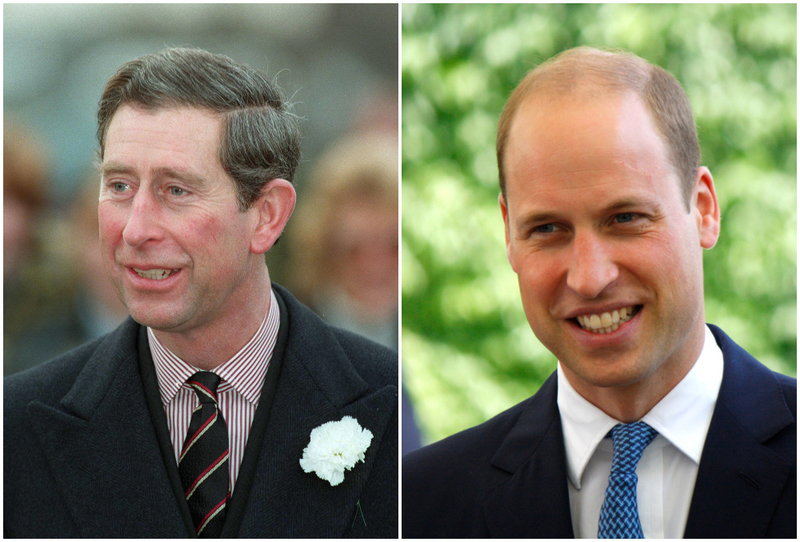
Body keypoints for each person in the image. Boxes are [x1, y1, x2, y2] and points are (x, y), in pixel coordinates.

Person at [402, 46, 795, 538]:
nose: (589, 278)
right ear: (508, 234)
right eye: (547, 229)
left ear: (704, 209)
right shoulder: (420, 505)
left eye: (625, 219)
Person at [5, 47, 398, 538]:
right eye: (120, 186)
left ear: (267, 215)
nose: (135, 230)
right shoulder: (17, 426)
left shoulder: (390, 401)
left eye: (177, 191)